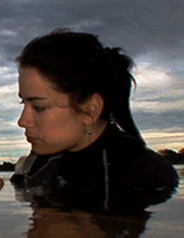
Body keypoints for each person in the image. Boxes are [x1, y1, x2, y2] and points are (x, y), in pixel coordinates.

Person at [10, 29, 179, 212]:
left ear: (90, 110)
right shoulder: (41, 161)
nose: (22, 121)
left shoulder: (143, 174)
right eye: (23, 102)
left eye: (39, 107)